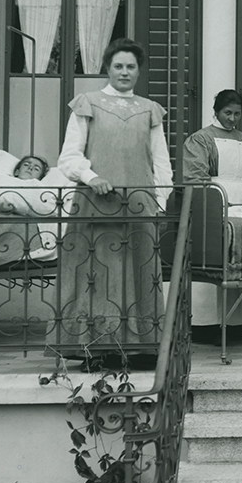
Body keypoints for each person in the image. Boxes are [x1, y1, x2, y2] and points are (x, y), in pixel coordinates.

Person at [51, 38, 173, 358]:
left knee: (140, 275)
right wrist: (92, 177)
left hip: (138, 205)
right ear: (107, 68)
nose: (124, 72)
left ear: (139, 71)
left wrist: (159, 202)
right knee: (97, 275)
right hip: (95, 203)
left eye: (131, 66)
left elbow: (161, 163)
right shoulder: (88, 103)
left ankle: (141, 349)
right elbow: (68, 157)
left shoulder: (150, 110)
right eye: (118, 66)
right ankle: (94, 351)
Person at [183, 90, 242, 343]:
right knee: (217, 255)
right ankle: (206, 323)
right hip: (214, 200)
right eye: (227, 113)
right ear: (216, 112)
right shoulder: (201, 139)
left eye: (237, 114)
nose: (232, 118)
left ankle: (241, 322)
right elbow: (195, 176)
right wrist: (213, 199)